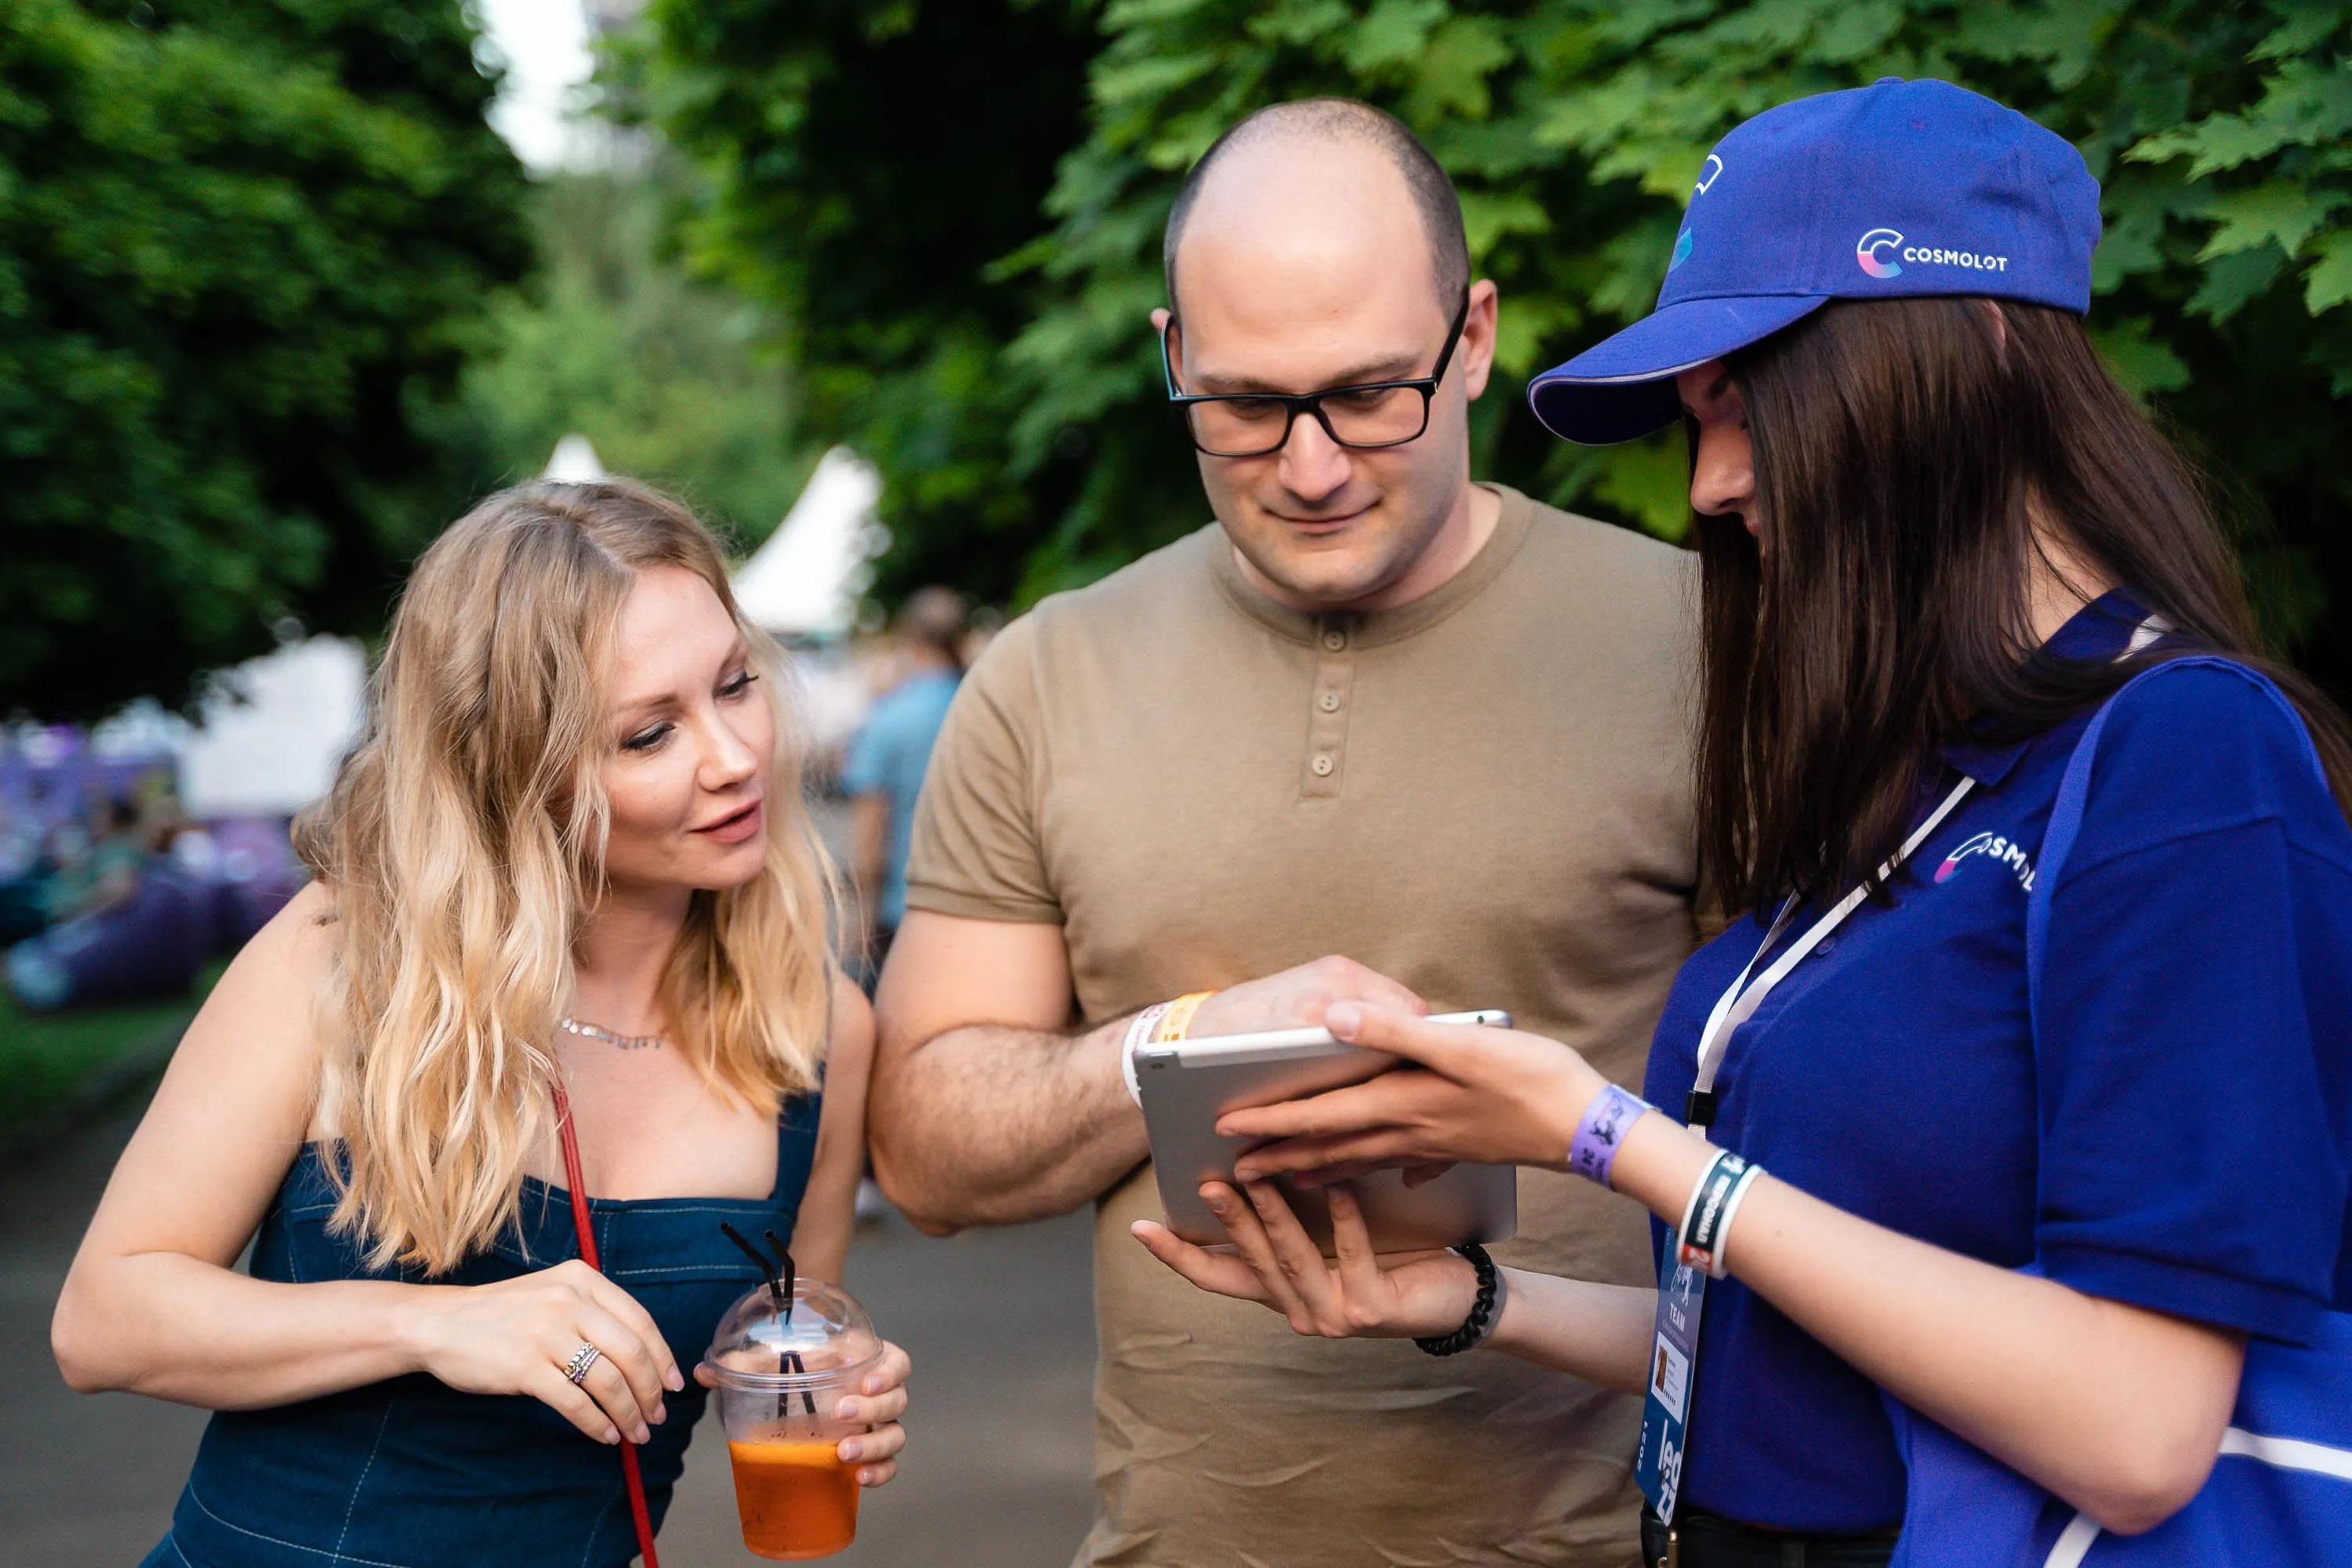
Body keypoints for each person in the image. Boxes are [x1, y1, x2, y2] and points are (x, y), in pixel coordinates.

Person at [1132, 79, 2352, 1566]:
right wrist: (1468, 1299)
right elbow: (1815, 1346)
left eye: (1744, 405)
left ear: (1960, 348)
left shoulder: (2189, 761)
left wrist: (1602, 1139)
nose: (1711, 484)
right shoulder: (1921, 769)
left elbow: (2141, 1429)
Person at [869, 98, 1700, 1566]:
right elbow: (929, 1154)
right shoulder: (1051, 677)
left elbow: (1837, 1181)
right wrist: (1180, 1039)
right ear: (1173, 357)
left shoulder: (1704, 646)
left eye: (1373, 393)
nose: (1310, 466)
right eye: (1247, 405)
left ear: (1478, 335)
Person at [52, 480, 912, 1568]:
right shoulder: (341, 955)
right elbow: (102, 1319)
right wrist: (437, 1324)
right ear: (515, 772)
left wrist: (838, 1400)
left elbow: (791, 1355)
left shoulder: (818, 1026)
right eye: (649, 734)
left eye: (737, 685)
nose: (734, 756)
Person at [842, 586, 967, 976]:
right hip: (989, 910)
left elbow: (869, 835)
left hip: (907, 912)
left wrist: (859, 925)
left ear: (909, 638)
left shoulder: (888, 718)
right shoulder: (984, 707)